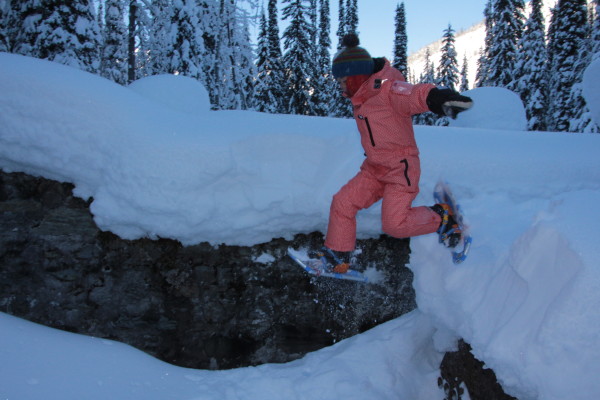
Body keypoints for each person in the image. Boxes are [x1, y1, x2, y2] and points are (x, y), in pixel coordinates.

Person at [312, 34, 473, 273]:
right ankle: (338, 255)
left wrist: (439, 99)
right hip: (375, 169)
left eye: (344, 80)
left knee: (394, 225)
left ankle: (442, 217)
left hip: (400, 168)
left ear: (356, 76)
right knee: (343, 202)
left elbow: (415, 94)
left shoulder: (388, 89)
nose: (341, 86)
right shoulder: (362, 96)